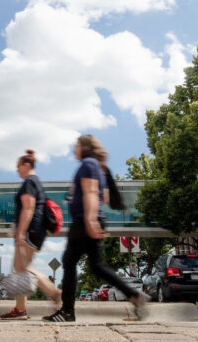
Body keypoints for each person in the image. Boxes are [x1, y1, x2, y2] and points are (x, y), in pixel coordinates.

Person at [43, 135, 147, 322]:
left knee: (69, 262)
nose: (74, 148)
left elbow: (91, 192)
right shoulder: (98, 167)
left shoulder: (88, 164)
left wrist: (90, 220)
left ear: (84, 147)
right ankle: (134, 295)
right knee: (96, 266)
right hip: (91, 218)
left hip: (84, 221)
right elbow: (104, 197)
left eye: (76, 145)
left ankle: (67, 311)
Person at [0, 150, 61, 320]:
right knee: (20, 269)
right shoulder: (35, 182)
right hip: (35, 231)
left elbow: (28, 207)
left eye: (18, 166)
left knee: (24, 268)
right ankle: (20, 310)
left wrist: (20, 232)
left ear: (26, 165)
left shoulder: (29, 182)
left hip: (30, 231)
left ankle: (53, 292)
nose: (16, 170)